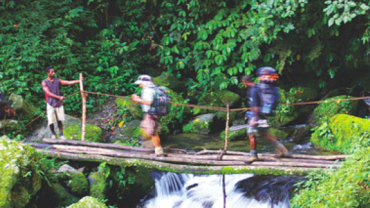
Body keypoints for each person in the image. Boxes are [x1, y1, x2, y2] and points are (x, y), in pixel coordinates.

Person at [242, 71, 289, 162]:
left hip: (257, 117)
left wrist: (253, 119)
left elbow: (255, 106)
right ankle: (281, 148)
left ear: (245, 82)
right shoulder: (259, 87)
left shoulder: (253, 90)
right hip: (262, 116)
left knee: (251, 135)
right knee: (266, 134)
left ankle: (254, 155)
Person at [131, 74, 166, 157]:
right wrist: (138, 99)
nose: (140, 85)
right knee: (147, 128)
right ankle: (154, 146)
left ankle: (159, 151)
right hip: (153, 112)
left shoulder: (149, 90)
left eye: (141, 83)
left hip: (152, 113)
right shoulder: (151, 89)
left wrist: (138, 99)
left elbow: (149, 102)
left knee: (152, 132)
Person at [41, 66, 80, 139]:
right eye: (52, 72)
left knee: (59, 119)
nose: (53, 73)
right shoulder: (44, 82)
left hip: (58, 103)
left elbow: (68, 82)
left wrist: (78, 81)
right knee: (51, 121)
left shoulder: (57, 80)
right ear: (47, 73)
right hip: (50, 103)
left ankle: (61, 134)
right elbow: (48, 93)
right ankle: (53, 133)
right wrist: (59, 97)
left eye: (53, 71)